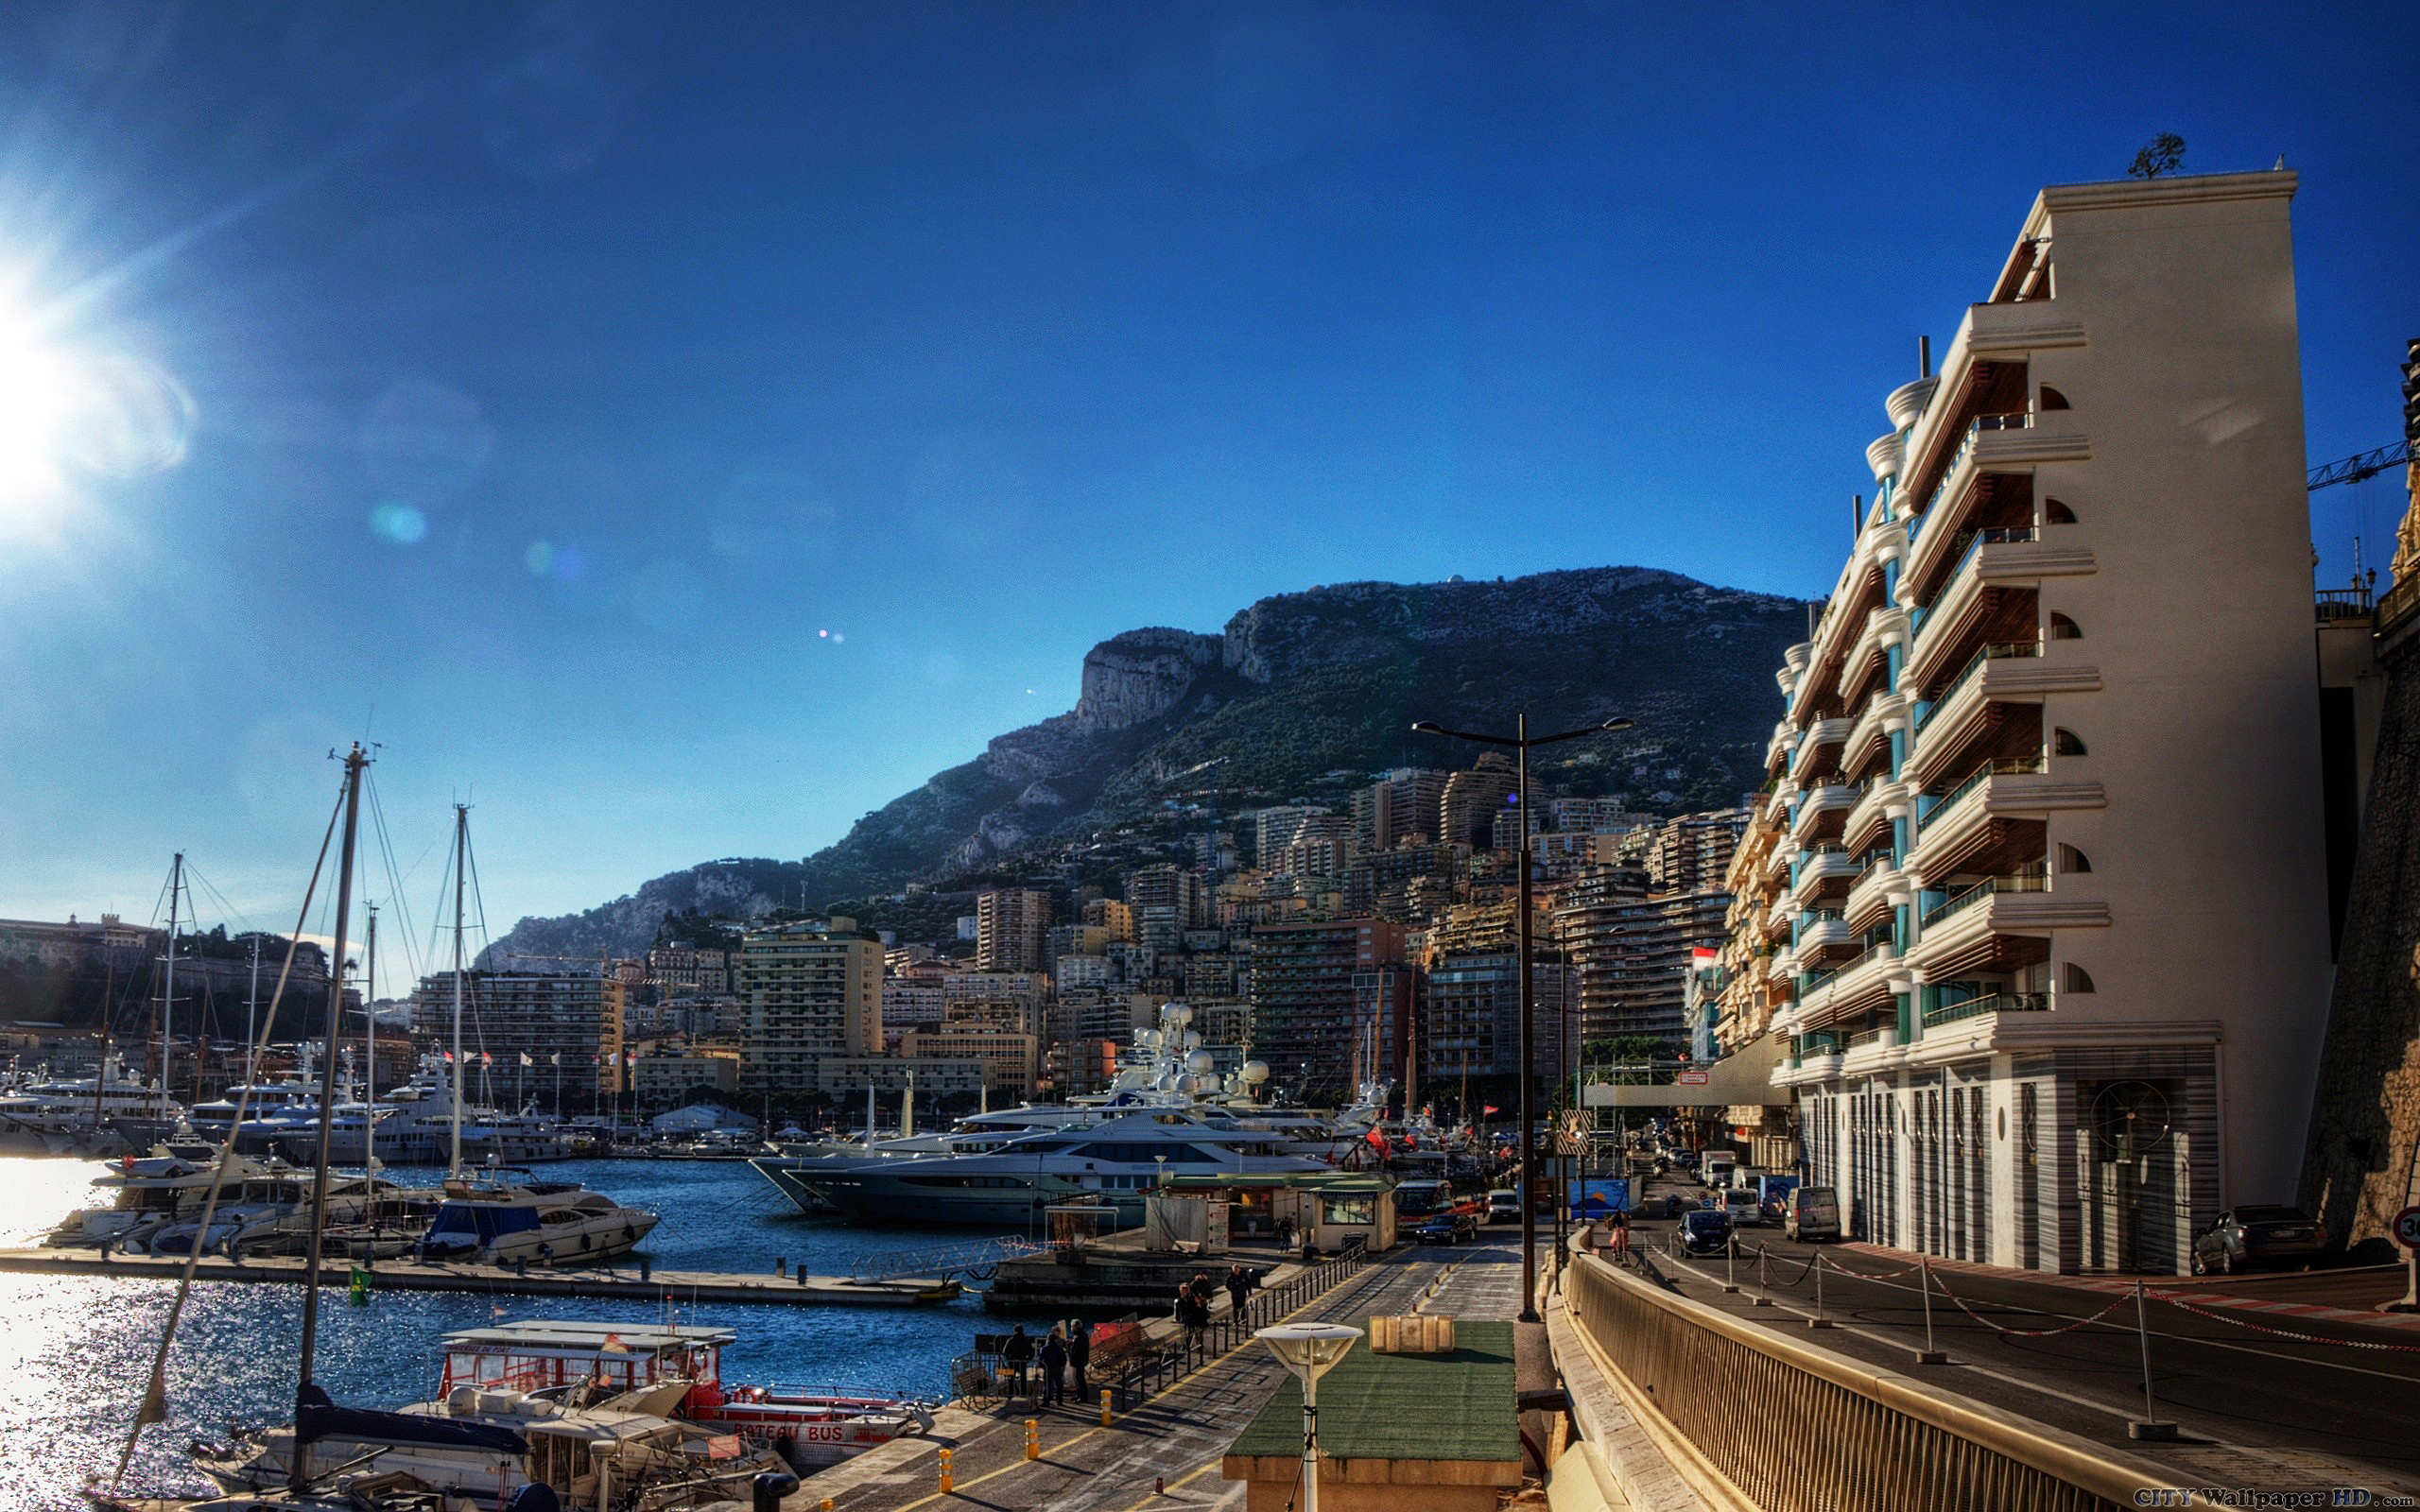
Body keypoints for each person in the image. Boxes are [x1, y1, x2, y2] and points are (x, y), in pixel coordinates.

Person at [1002, 1324, 1035, 1400]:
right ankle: (1023, 1394)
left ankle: (1010, 1395)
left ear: (1014, 1331)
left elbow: (1005, 1352)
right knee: (1023, 1379)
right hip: (1022, 1362)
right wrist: (1027, 1360)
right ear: (1022, 1331)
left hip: (1012, 1362)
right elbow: (1032, 1352)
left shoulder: (1011, 1340)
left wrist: (1009, 1359)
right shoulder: (1026, 1340)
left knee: (1011, 1379)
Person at [1039, 1328, 1068, 1406]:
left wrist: (1042, 1366)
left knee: (1047, 1384)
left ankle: (1047, 1400)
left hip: (1048, 1368)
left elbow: (1040, 1359)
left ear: (1048, 1339)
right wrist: (1060, 1365)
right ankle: (1059, 1401)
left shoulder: (1044, 1349)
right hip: (1057, 1368)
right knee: (1059, 1385)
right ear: (1055, 1340)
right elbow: (1064, 1359)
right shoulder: (1059, 1349)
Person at [1067, 1322, 1091, 1398]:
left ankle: (1082, 1397)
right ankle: (1079, 1395)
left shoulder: (1078, 1336)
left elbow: (1076, 1350)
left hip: (1079, 1360)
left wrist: (1069, 1348)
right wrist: (1072, 1342)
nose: (1071, 1329)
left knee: (1079, 1378)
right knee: (1079, 1378)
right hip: (1082, 1359)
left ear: (1076, 1327)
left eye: (1072, 1327)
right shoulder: (1082, 1335)